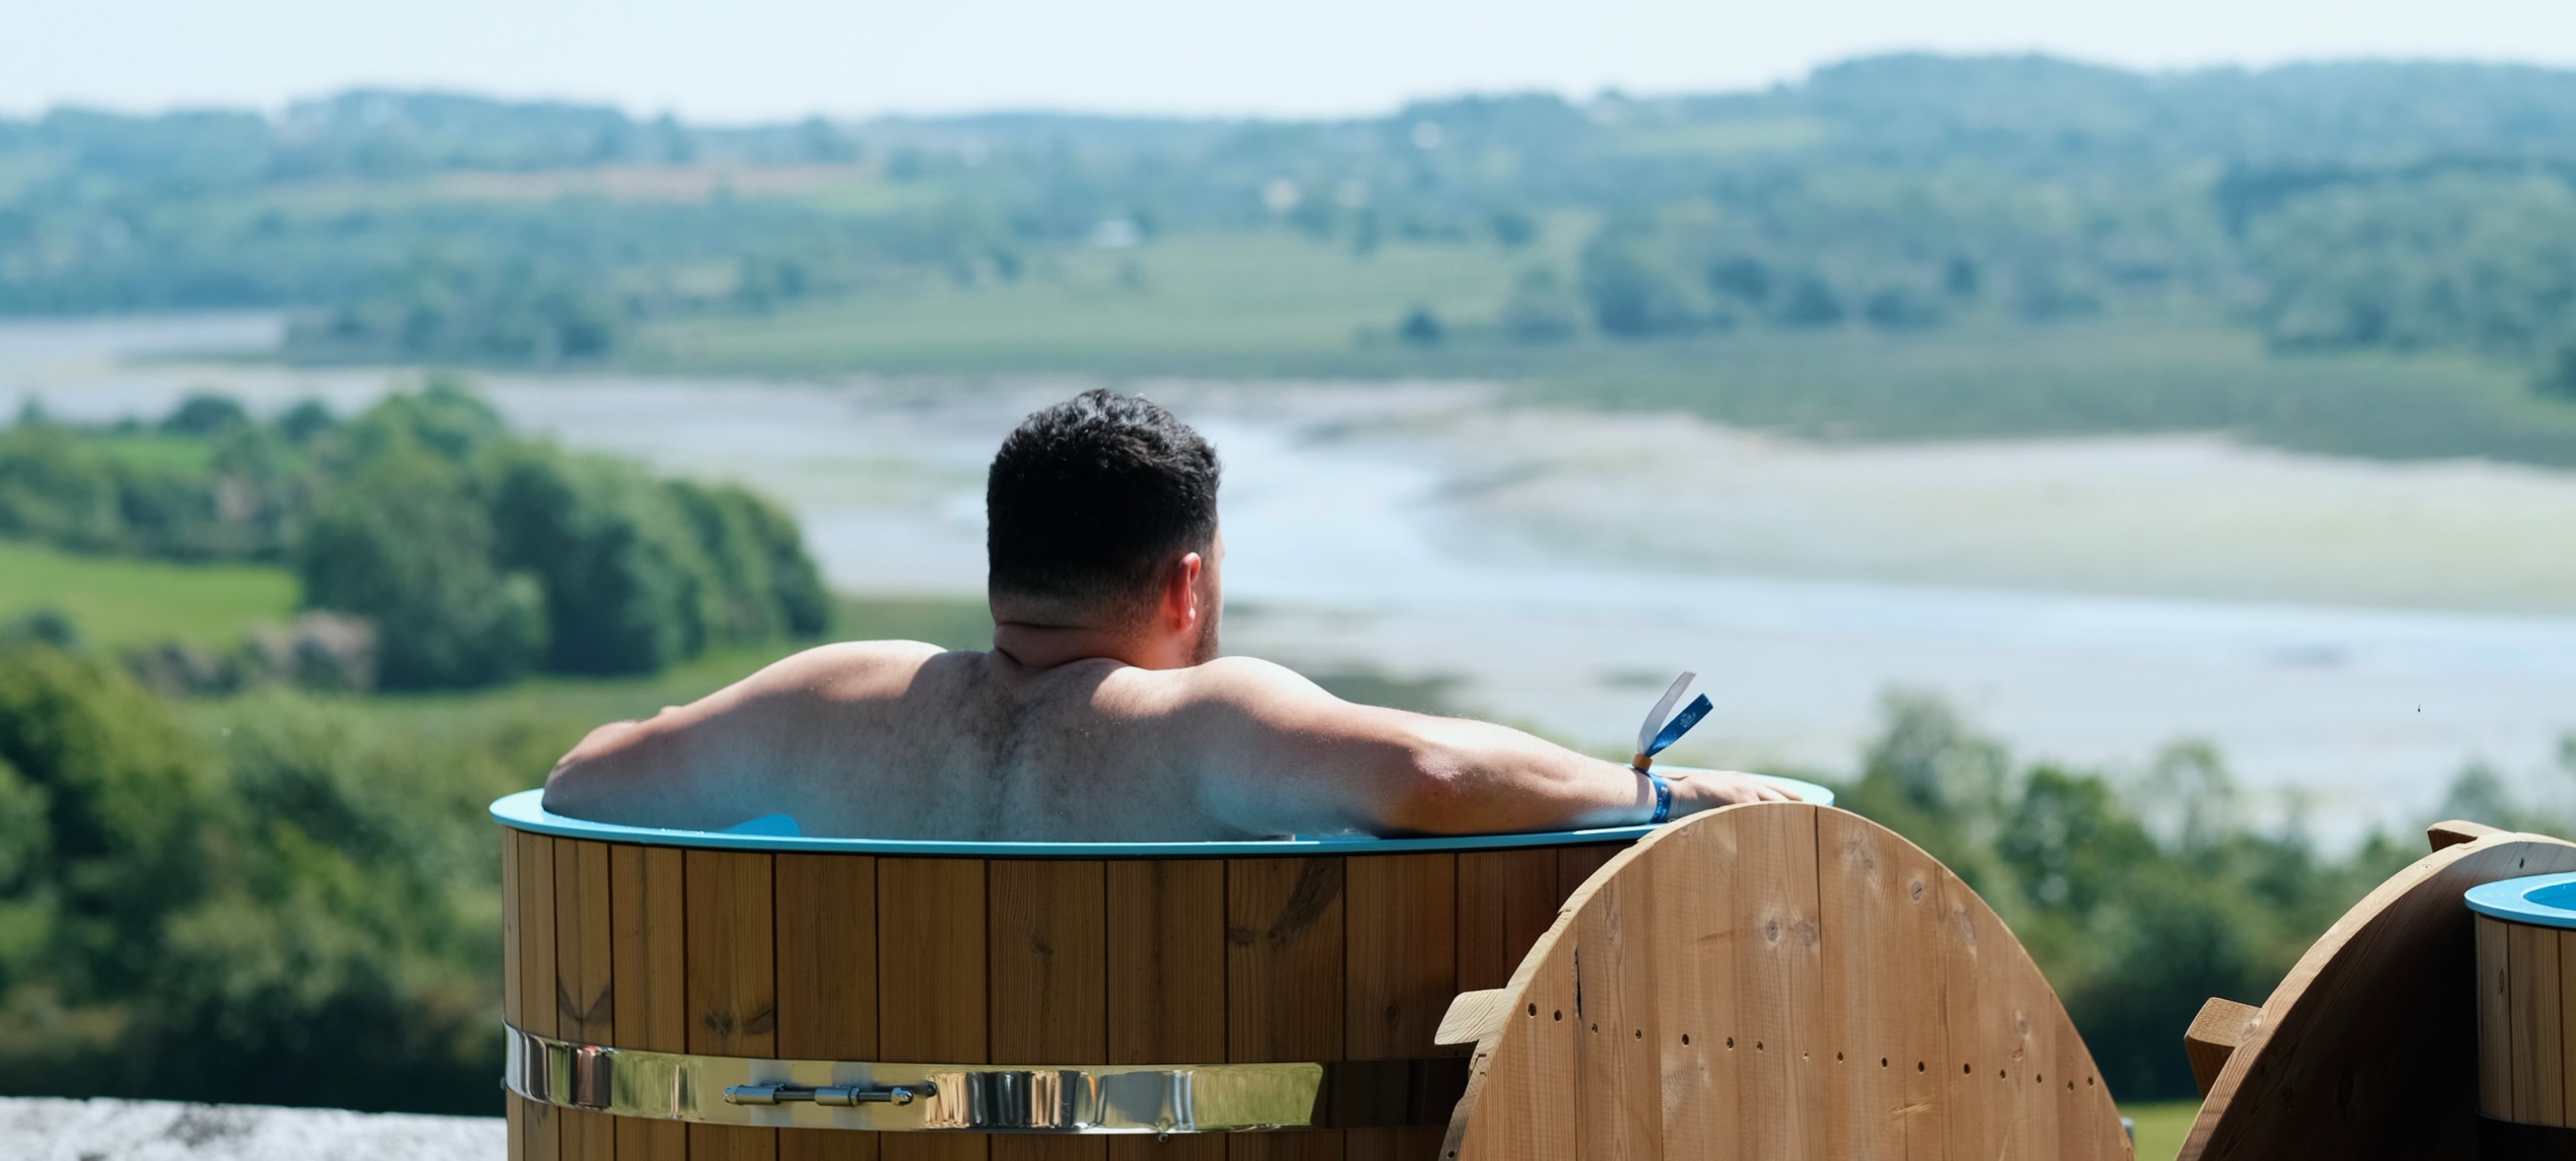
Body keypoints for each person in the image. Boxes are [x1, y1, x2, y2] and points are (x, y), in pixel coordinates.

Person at [544, 389, 1797, 841]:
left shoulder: (830, 699)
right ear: (1185, 581)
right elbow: (1426, 773)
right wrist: (1656, 795)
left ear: (1000, 562)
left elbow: (583, 783)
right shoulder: (1194, 721)